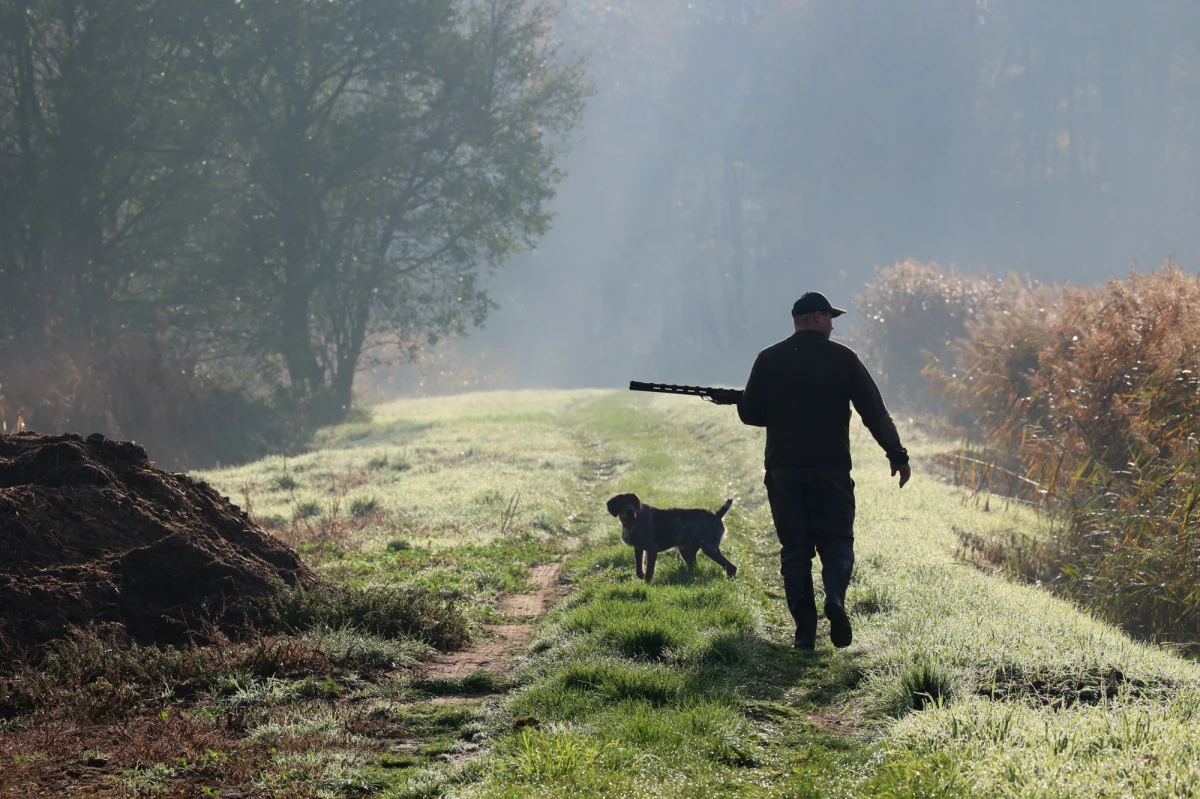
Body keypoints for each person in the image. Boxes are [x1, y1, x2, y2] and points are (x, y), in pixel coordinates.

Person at [736, 291, 910, 650]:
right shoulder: (844, 359)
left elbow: (750, 414)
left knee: (795, 549)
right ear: (816, 317)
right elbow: (874, 412)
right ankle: (835, 598)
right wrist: (897, 454)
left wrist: (777, 407)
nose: (832, 325)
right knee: (837, 542)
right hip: (831, 469)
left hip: (783, 470)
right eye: (830, 317)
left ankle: (804, 635)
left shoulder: (768, 359)